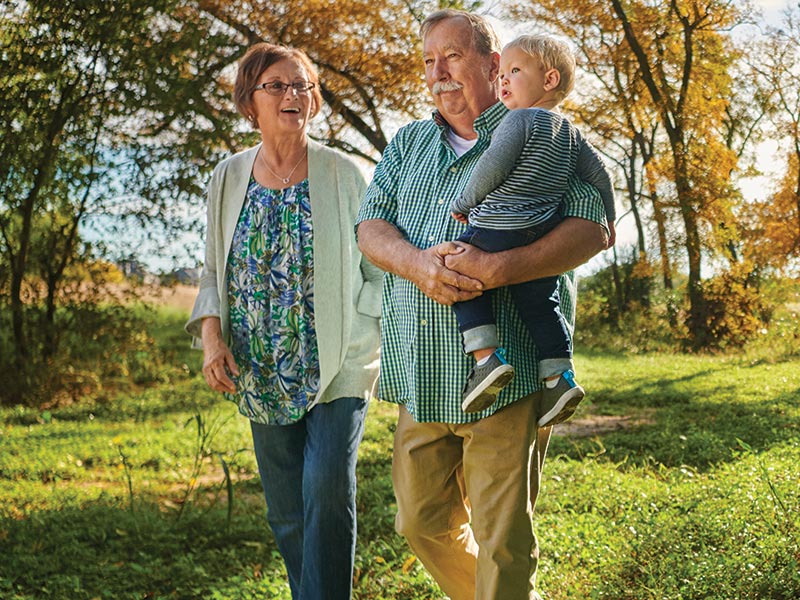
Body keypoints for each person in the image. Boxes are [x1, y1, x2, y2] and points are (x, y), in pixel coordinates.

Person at [355, 9, 607, 600]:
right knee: (419, 523)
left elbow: (592, 226)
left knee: (502, 540)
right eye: (427, 61)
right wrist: (417, 265)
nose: (437, 73)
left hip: (510, 370)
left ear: (495, 67)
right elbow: (370, 226)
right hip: (422, 370)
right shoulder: (409, 142)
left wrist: (498, 268)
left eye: (452, 56)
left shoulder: (537, 128)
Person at [185, 43, 381, 600]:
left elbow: (377, 267)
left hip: (337, 363)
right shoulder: (227, 177)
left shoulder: (344, 174)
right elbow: (211, 270)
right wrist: (211, 339)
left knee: (326, 490)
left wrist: (363, 334)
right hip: (258, 367)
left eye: (303, 86)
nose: (293, 95)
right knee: (287, 511)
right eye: (278, 86)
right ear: (250, 101)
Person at [449, 33, 617, 423]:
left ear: (550, 79)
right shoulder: (572, 135)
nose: (502, 80)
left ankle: (486, 358)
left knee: (457, 271)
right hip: (538, 232)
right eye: (501, 73)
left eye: (514, 71)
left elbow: (493, 167)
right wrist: (608, 216)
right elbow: (599, 176)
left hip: (497, 226)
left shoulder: (519, 120)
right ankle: (559, 377)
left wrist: (464, 203)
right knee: (540, 304)